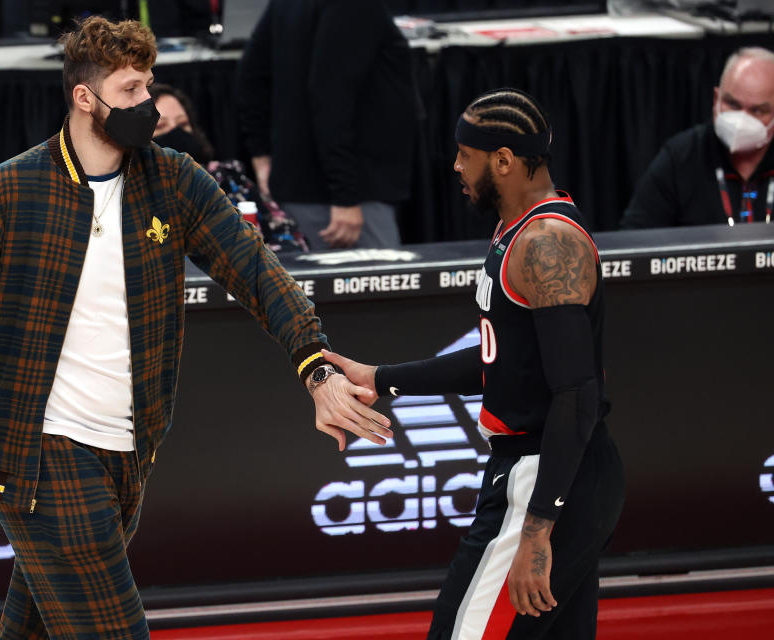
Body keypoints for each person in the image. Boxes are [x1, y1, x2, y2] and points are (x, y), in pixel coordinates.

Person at [0, 16, 393, 639]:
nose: (150, 105)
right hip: (36, 455)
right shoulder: (4, 195)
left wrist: (315, 365)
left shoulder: (174, 180)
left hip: (129, 454)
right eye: (132, 90)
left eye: (149, 86)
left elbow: (257, 272)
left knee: (36, 627)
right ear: (86, 98)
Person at [324, 88, 625, 639]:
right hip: (563, 471)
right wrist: (382, 379)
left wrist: (538, 527)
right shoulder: (518, 230)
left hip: (546, 472)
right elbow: (501, 362)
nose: (457, 165)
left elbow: (577, 393)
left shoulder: (545, 243)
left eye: (466, 154)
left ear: (504, 160)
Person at [235, 0, 419, 250]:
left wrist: (261, 156)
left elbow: (250, 75)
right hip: (348, 200)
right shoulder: (353, 6)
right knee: (377, 285)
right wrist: (345, 196)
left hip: (307, 187)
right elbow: (331, 96)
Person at [621, 47, 774, 229]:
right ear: (716, 98)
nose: (742, 120)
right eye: (732, 104)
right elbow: (634, 237)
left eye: (757, 111)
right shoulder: (680, 158)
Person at [150, 82, 309, 253]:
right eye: (160, 127)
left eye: (182, 125)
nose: (177, 134)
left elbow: (291, 237)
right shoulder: (129, 191)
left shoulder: (229, 178)